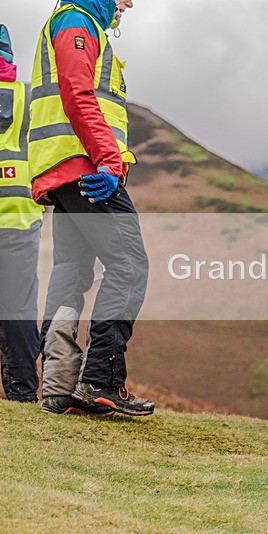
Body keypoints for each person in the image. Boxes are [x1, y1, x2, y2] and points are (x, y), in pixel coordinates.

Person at [29, 0, 153, 416]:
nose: (128, 3)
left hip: (66, 170)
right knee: (129, 266)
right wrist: (109, 161)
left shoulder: (75, 24)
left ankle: (60, 388)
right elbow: (77, 94)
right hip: (88, 170)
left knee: (71, 273)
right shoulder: (76, 21)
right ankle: (102, 379)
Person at [0, 24, 44, 404]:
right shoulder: (28, 97)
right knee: (18, 307)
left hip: (19, 217)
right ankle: (23, 393)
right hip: (19, 217)